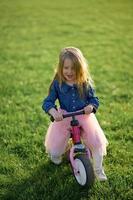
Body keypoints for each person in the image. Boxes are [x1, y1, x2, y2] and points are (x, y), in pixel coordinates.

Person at [42, 47, 108, 181]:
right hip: (64, 118)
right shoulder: (58, 83)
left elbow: (94, 99)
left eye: (73, 68)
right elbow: (47, 102)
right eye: (66, 68)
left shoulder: (84, 82)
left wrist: (91, 106)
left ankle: (98, 170)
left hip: (84, 116)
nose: (69, 72)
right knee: (55, 148)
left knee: (97, 143)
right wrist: (54, 112)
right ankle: (57, 154)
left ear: (80, 68)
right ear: (61, 67)